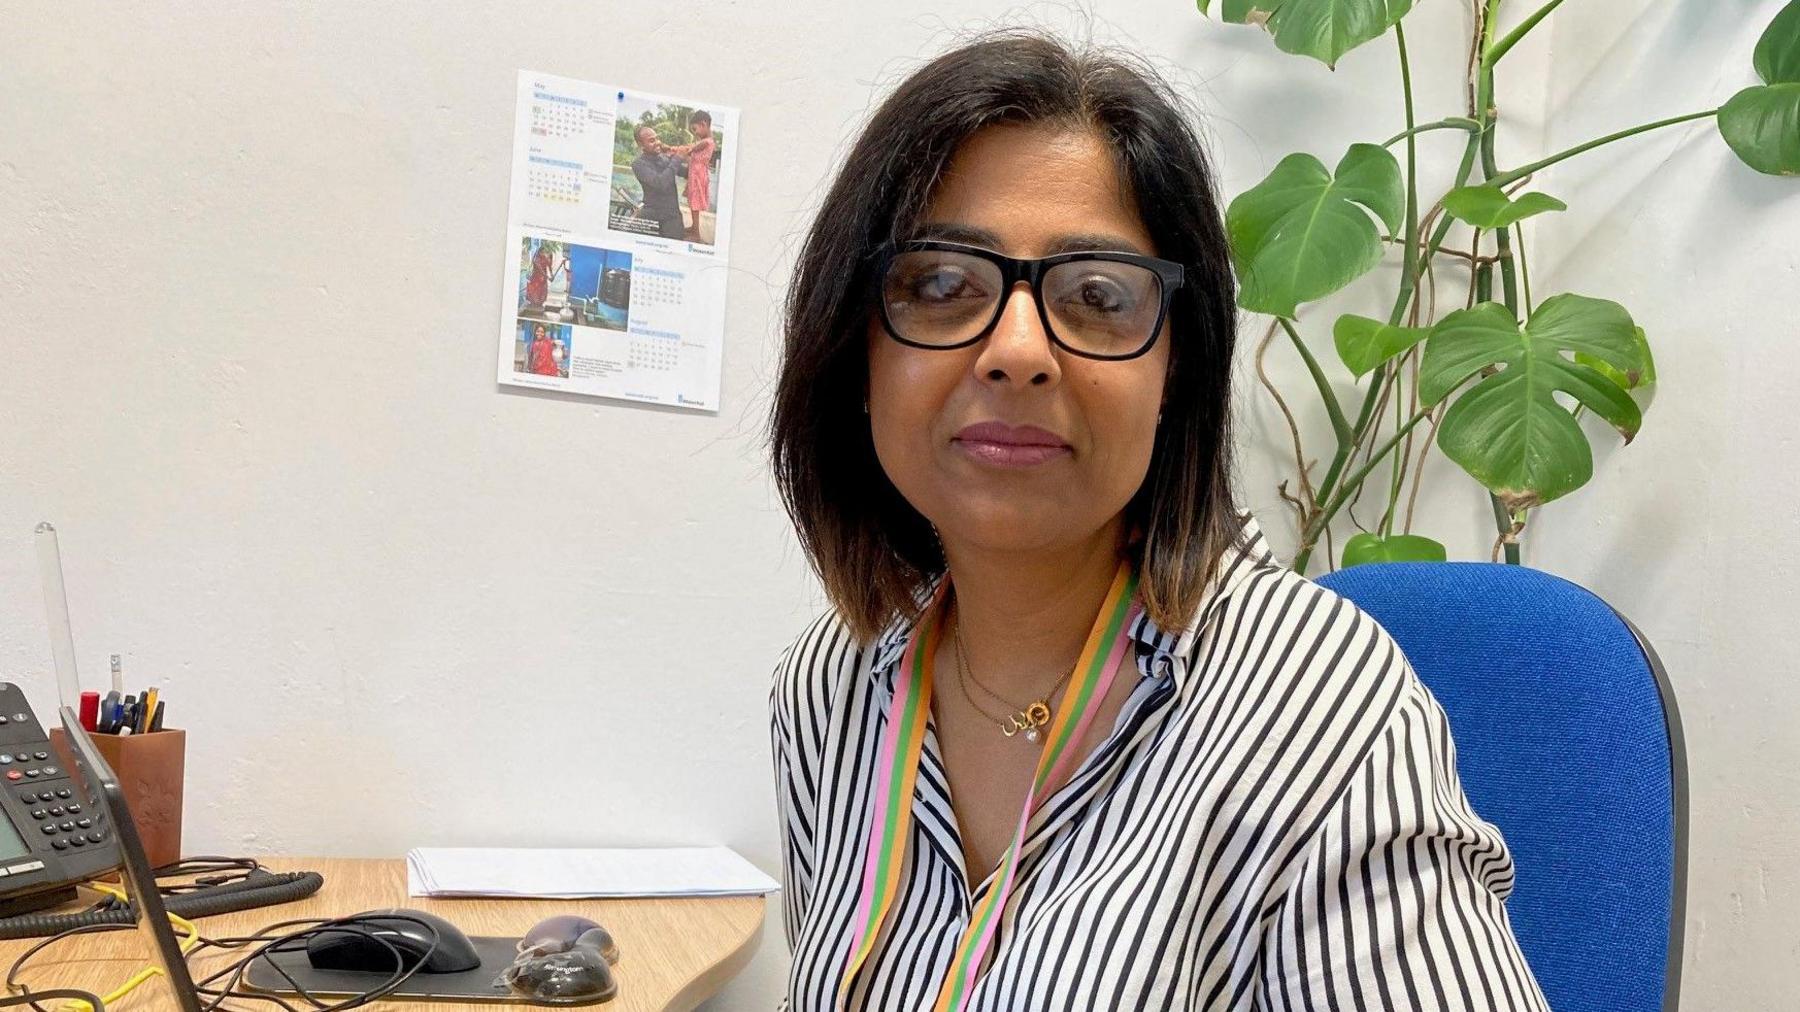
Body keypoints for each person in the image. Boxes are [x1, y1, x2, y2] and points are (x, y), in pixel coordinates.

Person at [767, 32, 1549, 1012]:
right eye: (938, 284)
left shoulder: (1319, 706)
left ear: (1175, 372)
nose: (1017, 351)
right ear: (851, 350)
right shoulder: (828, 691)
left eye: (1097, 296)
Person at [667, 110, 716, 242]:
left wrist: (671, 149)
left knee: (695, 204)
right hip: (696, 175)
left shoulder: (706, 142)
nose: (695, 133)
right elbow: (689, 150)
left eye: (695, 129)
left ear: (703, 124)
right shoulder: (703, 142)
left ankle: (696, 234)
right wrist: (673, 149)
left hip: (698, 177)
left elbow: (688, 149)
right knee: (692, 203)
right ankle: (694, 228)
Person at [631, 125, 685, 240]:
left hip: (672, 216)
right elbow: (660, 183)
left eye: (656, 138)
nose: (657, 142)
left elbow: (686, 172)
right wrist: (677, 159)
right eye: (651, 141)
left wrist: (688, 155)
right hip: (652, 216)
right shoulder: (638, 164)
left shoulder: (665, 157)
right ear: (641, 145)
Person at [524, 243, 552, 308]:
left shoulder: (544, 257)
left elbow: (549, 265)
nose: (544, 253)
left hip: (542, 279)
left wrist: (551, 274)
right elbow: (541, 271)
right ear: (539, 252)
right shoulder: (536, 260)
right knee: (536, 291)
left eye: (545, 252)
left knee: (541, 291)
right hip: (536, 278)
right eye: (543, 252)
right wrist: (548, 277)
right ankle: (534, 305)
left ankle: (539, 304)